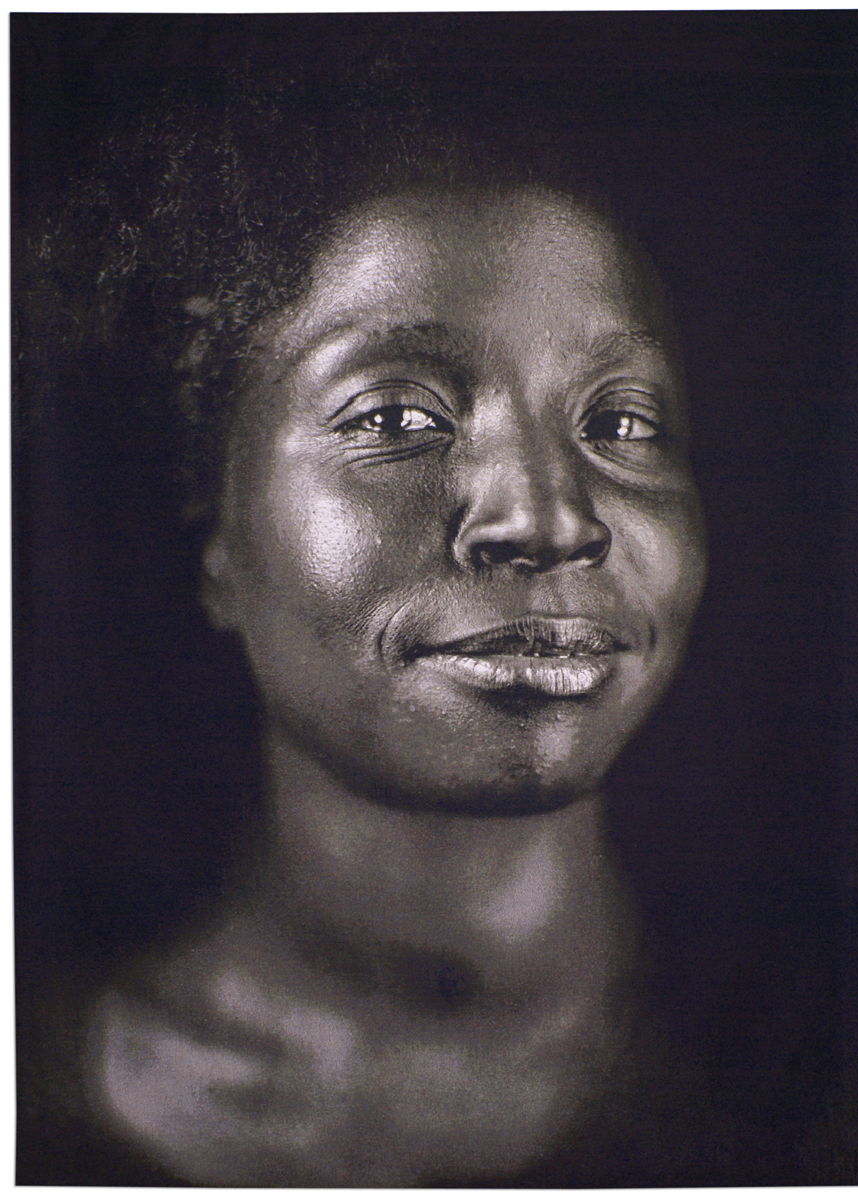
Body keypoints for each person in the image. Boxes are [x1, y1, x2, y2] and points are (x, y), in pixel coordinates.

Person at [18, 55, 718, 1188]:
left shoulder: (832, 1054)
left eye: (621, 423)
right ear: (216, 536)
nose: (547, 520)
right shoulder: (46, 1104)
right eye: (395, 417)